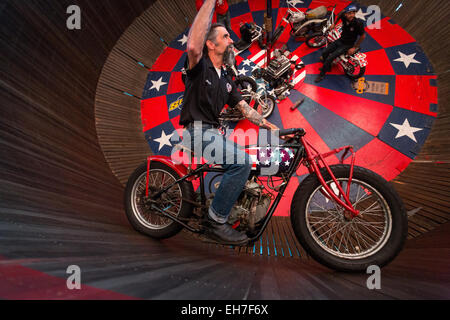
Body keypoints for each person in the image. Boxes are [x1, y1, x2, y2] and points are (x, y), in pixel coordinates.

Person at [179, 0, 279, 244]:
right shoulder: (199, 66)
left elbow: (244, 108)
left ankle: (232, 209)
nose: (232, 40)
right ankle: (216, 221)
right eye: (226, 36)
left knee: (251, 162)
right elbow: (193, 45)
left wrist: (271, 127)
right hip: (198, 132)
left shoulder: (225, 78)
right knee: (241, 162)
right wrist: (210, 3)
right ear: (211, 44)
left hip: (214, 133)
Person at [315, 5, 366, 83]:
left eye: (353, 13)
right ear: (346, 14)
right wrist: (334, 24)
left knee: (330, 58)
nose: (351, 15)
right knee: (325, 52)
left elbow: (363, 36)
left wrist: (354, 47)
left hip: (348, 44)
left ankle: (321, 74)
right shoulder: (344, 16)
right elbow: (340, 14)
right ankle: (327, 67)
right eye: (349, 13)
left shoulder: (358, 24)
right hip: (340, 40)